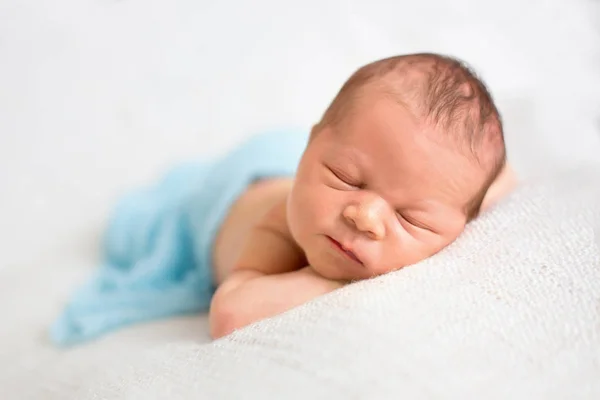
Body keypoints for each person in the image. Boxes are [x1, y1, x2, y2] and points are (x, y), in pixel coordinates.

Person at [208, 53, 517, 338]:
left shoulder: (447, 199)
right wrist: (340, 283)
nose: (365, 217)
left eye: (409, 218)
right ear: (309, 148)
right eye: (345, 179)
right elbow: (230, 314)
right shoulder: (279, 223)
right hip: (232, 191)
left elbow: (498, 183)